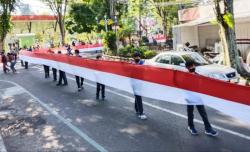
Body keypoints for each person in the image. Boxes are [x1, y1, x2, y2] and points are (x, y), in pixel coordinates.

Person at [185, 61, 218, 136]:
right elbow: (184, 88)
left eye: (194, 66)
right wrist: (186, 97)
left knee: (203, 113)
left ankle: (208, 129)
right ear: (188, 67)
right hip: (189, 98)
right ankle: (191, 126)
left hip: (198, 98)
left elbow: (201, 86)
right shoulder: (185, 76)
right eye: (192, 66)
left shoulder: (197, 75)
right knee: (190, 113)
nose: (193, 67)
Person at [132, 52, 147, 120]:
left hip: (140, 83)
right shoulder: (132, 64)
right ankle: (141, 113)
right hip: (134, 83)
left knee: (137, 96)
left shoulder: (142, 63)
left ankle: (137, 109)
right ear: (134, 58)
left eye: (138, 56)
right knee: (138, 97)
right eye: (136, 57)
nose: (137, 58)